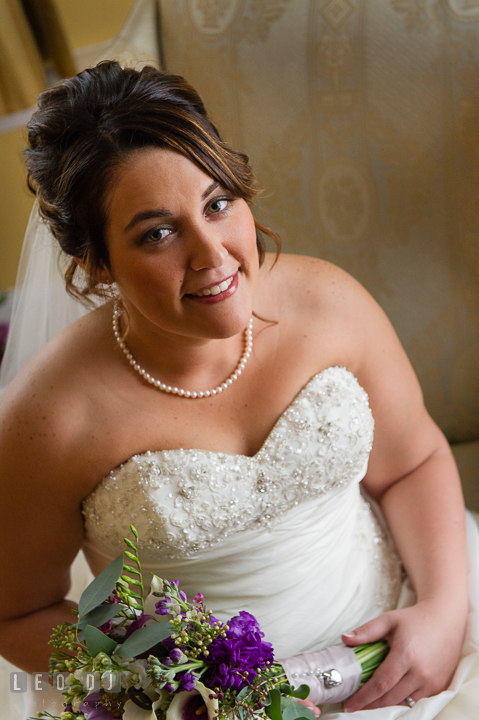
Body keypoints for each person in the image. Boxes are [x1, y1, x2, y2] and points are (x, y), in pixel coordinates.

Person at [0, 61, 478, 720]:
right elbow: (19, 613)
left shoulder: (329, 304)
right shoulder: (49, 418)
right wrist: (173, 692)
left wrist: (443, 613)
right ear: (95, 263)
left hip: (405, 634)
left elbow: (415, 461)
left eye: (217, 203)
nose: (213, 254)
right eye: (157, 233)